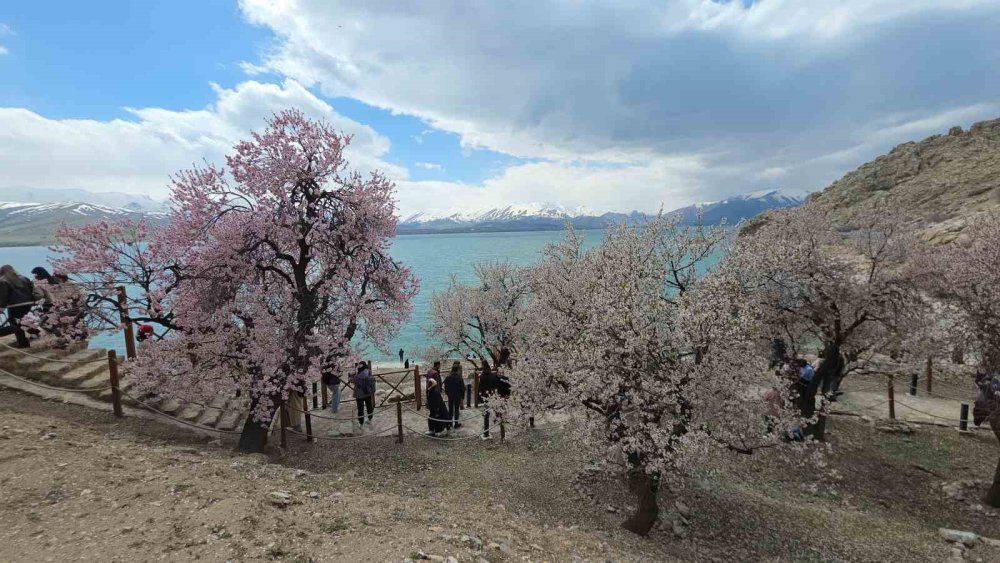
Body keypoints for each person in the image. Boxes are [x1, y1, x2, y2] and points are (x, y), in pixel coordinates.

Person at [0, 265, 38, 348]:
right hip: (28, 303)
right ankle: (35, 333)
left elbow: (4, 295)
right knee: (27, 320)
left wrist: (2, 307)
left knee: (15, 324)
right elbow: (31, 289)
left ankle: (23, 343)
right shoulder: (24, 278)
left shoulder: (3, 281)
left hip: (14, 305)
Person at [351, 361, 376, 427]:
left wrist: (353, 375)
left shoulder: (358, 374)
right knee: (369, 406)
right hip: (367, 392)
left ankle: (361, 423)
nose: (359, 366)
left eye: (359, 365)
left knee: (360, 409)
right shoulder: (368, 371)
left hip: (359, 394)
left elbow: (352, 380)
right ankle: (370, 419)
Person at [444, 362, 465, 428]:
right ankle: (456, 424)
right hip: (457, 396)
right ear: (457, 370)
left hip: (450, 395)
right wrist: (462, 396)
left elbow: (446, 387)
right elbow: (462, 388)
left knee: (450, 410)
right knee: (456, 409)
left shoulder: (448, 377)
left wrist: (448, 393)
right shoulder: (459, 378)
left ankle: (450, 423)